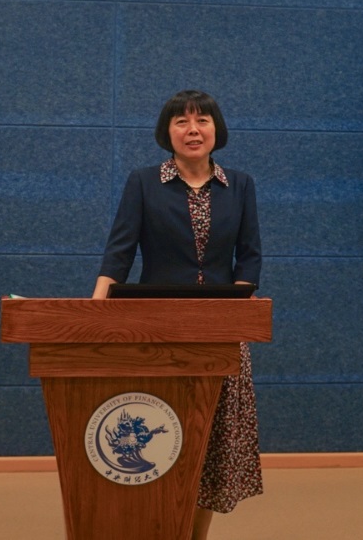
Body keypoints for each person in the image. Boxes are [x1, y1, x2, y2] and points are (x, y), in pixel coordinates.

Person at [92, 89, 263, 540]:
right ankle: (161, 526)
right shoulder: (143, 182)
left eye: (202, 120)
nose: (193, 130)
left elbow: (249, 258)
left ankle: (195, 534)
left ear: (216, 129)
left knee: (213, 443)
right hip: (159, 331)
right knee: (163, 434)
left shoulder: (240, 185)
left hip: (221, 334)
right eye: (182, 121)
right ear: (166, 132)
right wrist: (95, 312)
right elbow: (118, 253)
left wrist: (234, 314)